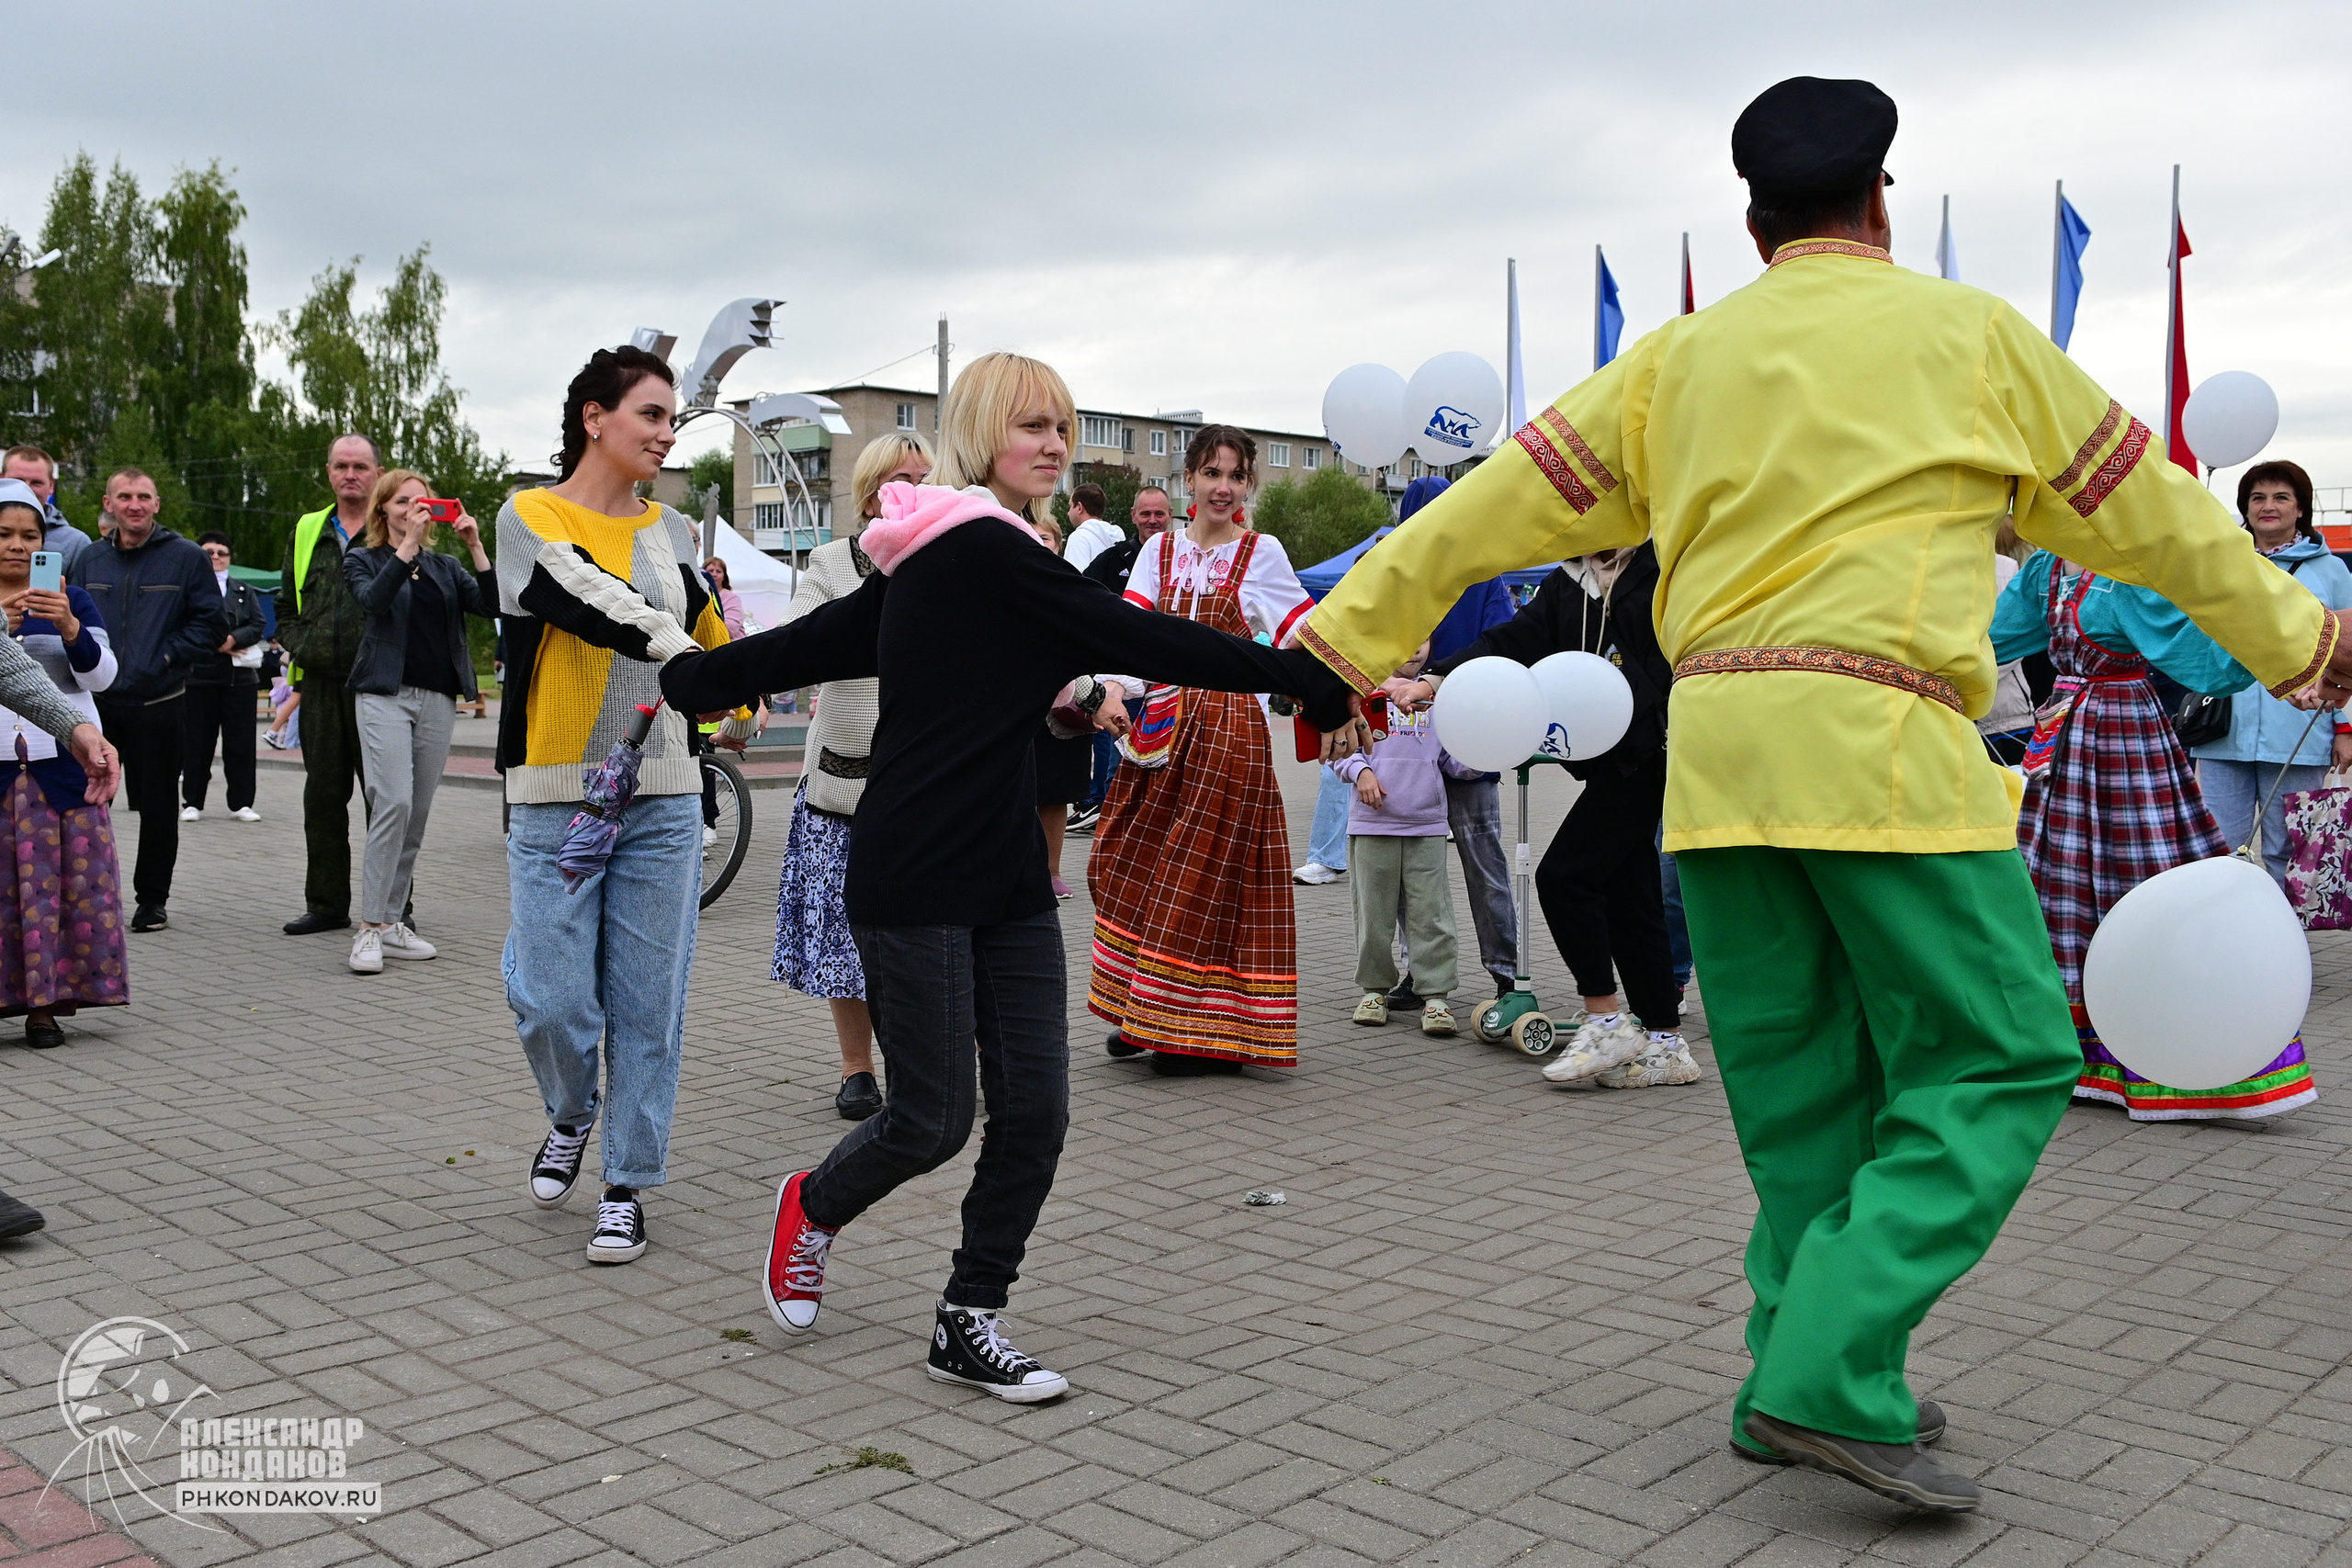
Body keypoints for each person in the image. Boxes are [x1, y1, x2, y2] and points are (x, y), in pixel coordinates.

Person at [1291, 75, 2352, 1511]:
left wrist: (1346, 632)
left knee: (1802, 1100)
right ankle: (1827, 1365)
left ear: (1752, 222)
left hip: (1719, 771)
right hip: (1887, 758)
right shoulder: (1971, 337)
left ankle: (1801, 1375)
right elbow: (2156, 514)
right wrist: (2304, 640)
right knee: (2009, 1052)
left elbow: (1494, 502)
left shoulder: (1681, 357)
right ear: (1882, 202)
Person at [656, 350, 1353, 1400]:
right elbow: (1135, 633)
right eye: (1034, 426)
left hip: (1006, 875)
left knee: (1036, 1110)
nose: (1055, 444)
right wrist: (1302, 679)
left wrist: (695, 676)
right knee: (932, 1121)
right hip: (912, 871)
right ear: (984, 435)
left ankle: (968, 1318)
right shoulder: (976, 546)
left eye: (1064, 427)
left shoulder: (954, 549)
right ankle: (814, 1204)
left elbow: (834, 642)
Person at [497, 345, 753, 1268]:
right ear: (593, 419)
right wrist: (676, 646)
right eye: (649, 414)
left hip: (664, 797)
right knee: (551, 996)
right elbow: (581, 595)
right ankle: (572, 1112)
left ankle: (625, 1183)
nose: (666, 431)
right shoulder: (532, 515)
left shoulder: (674, 531)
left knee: (650, 1005)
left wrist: (738, 686)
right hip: (554, 793)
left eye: (671, 416)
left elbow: (712, 630)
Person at [1997, 551, 2318, 1120]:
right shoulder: (2044, 568)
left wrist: (2291, 664)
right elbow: (1989, 639)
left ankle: (2180, 1038)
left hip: (2123, 733)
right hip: (2067, 736)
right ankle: (2068, 1051)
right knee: (2057, 882)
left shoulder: (2123, 571)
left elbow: (2199, 659)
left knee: (2145, 875)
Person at [1395, 542, 1694, 1088]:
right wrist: (1434, 680)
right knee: (1634, 894)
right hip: (1609, 763)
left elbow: (1679, 654)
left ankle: (1606, 1019)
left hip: (1655, 754)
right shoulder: (1569, 582)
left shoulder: (1663, 567)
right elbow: (1510, 642)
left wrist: (1647, 704)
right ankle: (1666, 1042)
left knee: (1564, 878)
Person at [1091, 426, 1315, 1075]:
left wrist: (1355, 684)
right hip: (1160, 731)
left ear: (1249, 485)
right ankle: (1145, 1007)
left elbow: (1303, 632)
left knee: (1204, 876)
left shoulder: (1261, 552)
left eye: (1236, 475)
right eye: (1212, 472)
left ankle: (1196, 1029)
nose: (1223, 486)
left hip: (1227, 731)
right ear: (1189, 477)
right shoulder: (1159, 551)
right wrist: (1106, 689)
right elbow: (1130, 638)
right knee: (1131, 858)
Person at [776, 431, 932, 1123]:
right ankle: (856, 1068)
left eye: (929, 479)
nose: (919, 490)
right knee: (845, 938)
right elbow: (794, 643)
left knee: (930, 936)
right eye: (905, 478)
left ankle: (924, 1063)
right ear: (872, 493)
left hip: (930, 786)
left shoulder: (952, 561)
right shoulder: (832, 562)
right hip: (845, 783)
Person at [343, 470, 497, 976]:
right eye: (404, 502)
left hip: (437, 698)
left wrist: (475, 546)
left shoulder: (445, 565)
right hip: (384, 694)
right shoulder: (363, 558)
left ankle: (390, 923)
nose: (415, 509)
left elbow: (492, 605)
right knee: (393, 800)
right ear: (383, 508)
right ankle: (367, 928)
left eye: (422, 501)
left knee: (417, 812)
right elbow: (372, 602)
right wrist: (405, 546)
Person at [68, 468, 225, 934]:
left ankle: (151, 900)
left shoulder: (186, 558)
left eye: (143, 496)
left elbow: (211, 625)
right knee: (84, 802)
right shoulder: (89, 560)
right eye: (125, 496)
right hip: (95, 705)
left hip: (160, 701)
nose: (134, 504)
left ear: (157, 504)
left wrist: (168, 654)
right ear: (109, 504)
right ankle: (85, 896)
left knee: (158, 807)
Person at [0, 479, 125, 1047]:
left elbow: (102, 678)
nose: (16, 547)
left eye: (29, 536)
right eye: (3, 535)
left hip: (61, 766)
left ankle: (45, 1007)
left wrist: (70, 625)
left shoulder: (69, 598)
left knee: (58, 891)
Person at [2193, 460, 2352, 883]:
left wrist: (2345, 728)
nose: (2268, 506)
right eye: (2257, 497)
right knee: (2219, 847)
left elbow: (2349, 651)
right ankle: (2227, 939)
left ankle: (2288, 944)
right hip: (2221, 732)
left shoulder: (2331, 570)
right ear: (2244, 508)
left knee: (2291, 850)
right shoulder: (2222, 565)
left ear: (2300, 508)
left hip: (2299, 733)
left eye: (2281, 496)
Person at [277, 434, 383, 936]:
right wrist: (302, 645)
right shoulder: (307, 530)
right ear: (328, 472)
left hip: (380, 686)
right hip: (319, 684)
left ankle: (391, 908)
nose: (351, 475)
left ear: (377, 473)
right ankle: (325, 905)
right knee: (322, 798)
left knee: (383, 802)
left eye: (360, 466)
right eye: (341, 466)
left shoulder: (394, 526)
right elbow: (283, 605)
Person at [1331, 642, 1464, 1035]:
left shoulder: (1440, 700)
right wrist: (1360, 772)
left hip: (1427, 826)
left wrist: (1484, 751)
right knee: (1374, 915)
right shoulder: (1359, 691)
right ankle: (1374, 990)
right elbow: (1339, 747)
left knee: (1432, 914)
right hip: (1373, 825)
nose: (1413, 649)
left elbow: (1455, 761)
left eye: (1422, 640)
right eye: (1403, 638)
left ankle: (1435, 996)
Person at [1070, 485, 1170, 833]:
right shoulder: (1114, 558)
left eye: (1159, 514)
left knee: (1168, 770)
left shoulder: (1182, 557)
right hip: (1123, 681)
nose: (1153, 520)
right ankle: (1116, 839)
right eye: (1146, 514)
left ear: (1170, 515)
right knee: (1120, 764)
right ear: (1133, 516)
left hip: (1171, 685)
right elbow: (1078, 596)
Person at [180, 532, 266, 824]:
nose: (215, 557)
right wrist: (211, 642)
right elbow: (180, 623)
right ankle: (192, 801)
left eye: (221, 552)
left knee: (240, 743)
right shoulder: (188, 588)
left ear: (229, 558)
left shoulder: (243, 589)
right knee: (197, 743)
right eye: (209, 552)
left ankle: (241, 802)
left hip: (239, 679)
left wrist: (232, 638)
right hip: (199, 677)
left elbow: (258, 624)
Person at [1, 446, 91, 572]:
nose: (26, 489)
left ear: (51, 485)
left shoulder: (75, 543)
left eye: (36, 483)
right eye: (18, 481)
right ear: (1, 479)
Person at [1061, 482, 1123, 571]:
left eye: (1070, 506)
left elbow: (1075, 579)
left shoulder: (1079, 538)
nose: (1068, 513)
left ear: (1079, 507)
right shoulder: (1118, 537)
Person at [704, 558, 747, 640]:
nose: (714, 574)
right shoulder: (698, 597)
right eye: (710, 571)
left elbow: (731, 628)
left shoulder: (732, 599)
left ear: (724, 577)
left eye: (718, 571)